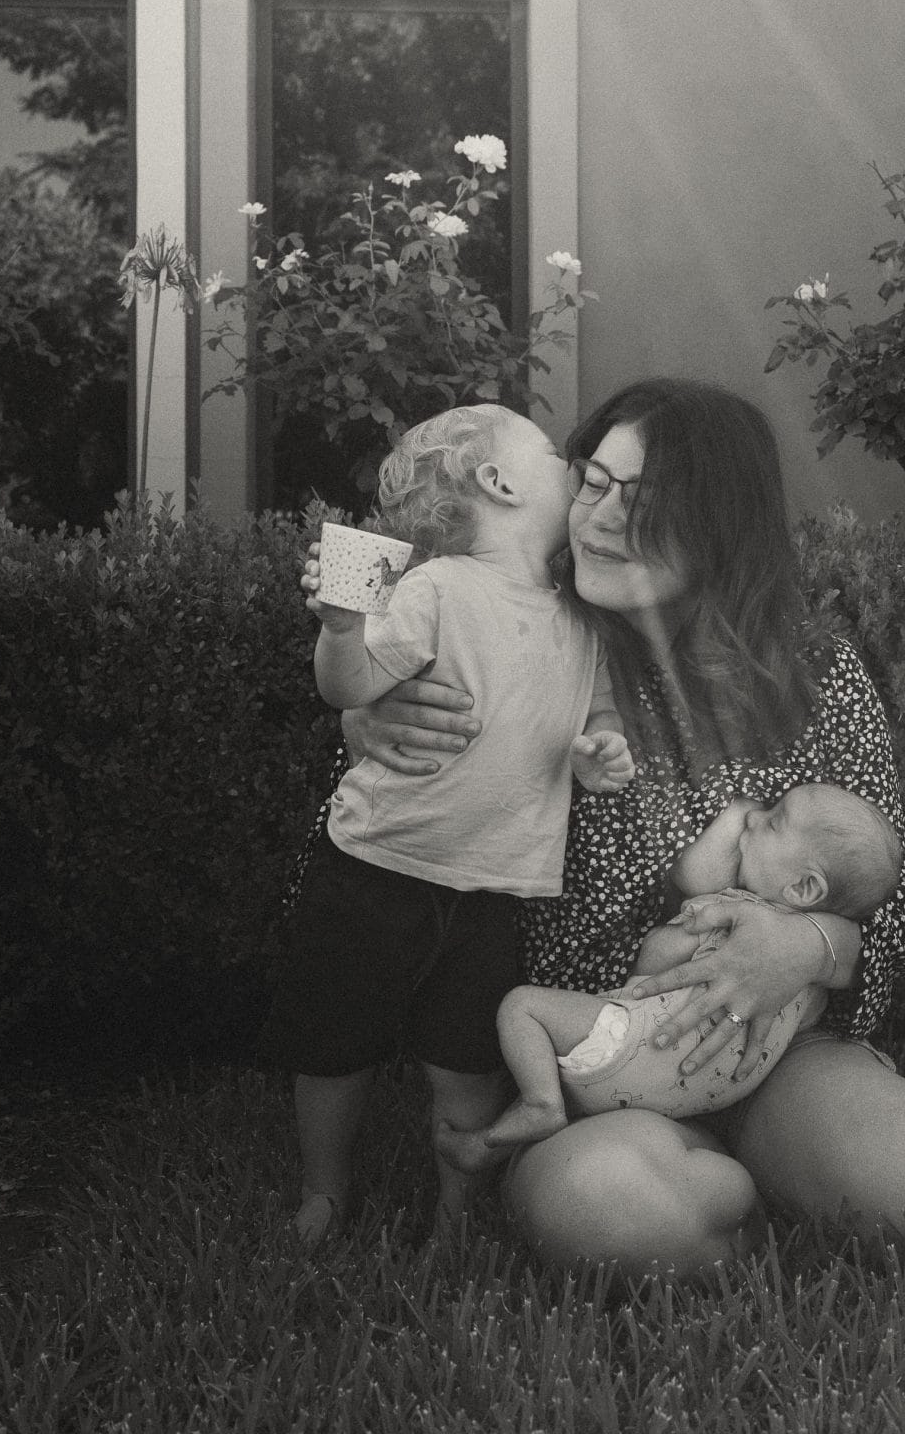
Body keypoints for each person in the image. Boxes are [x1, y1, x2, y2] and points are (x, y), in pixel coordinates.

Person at [337, 378, 905, 1274]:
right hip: (591, 1065)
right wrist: (368, 717)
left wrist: (814, 948)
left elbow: (899, 892)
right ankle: (748, 1194)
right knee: (618, 1217)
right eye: (592, 479)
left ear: (724, 523)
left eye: (649, 500)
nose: (601, 515)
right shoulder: (509, 633)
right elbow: (373, 832)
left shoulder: (812, 668)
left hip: (780, 1055)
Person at [260, 404, 635, 1246]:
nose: (567, 458)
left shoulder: (582, 619)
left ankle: (455, 1215)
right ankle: (324, 1189)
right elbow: (349, 688)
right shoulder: (435, 588)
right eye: (548, 451)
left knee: (466, 1063)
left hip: (493, 890)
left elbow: (596, 722)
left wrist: (599, 753)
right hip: (374, 867)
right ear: (500, 484)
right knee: (332, 1045)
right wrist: (343, 627)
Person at [435, 782, 902, 1171]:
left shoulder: (727, 910)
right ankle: (504, 1143)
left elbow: (652, 964)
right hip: (711, 1089)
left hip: (631, 1047)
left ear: (803, 887)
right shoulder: (809, 979)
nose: (754, 818)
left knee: (523, 1007)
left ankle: (538, 1103)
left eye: (774, 820)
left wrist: (675, 932)